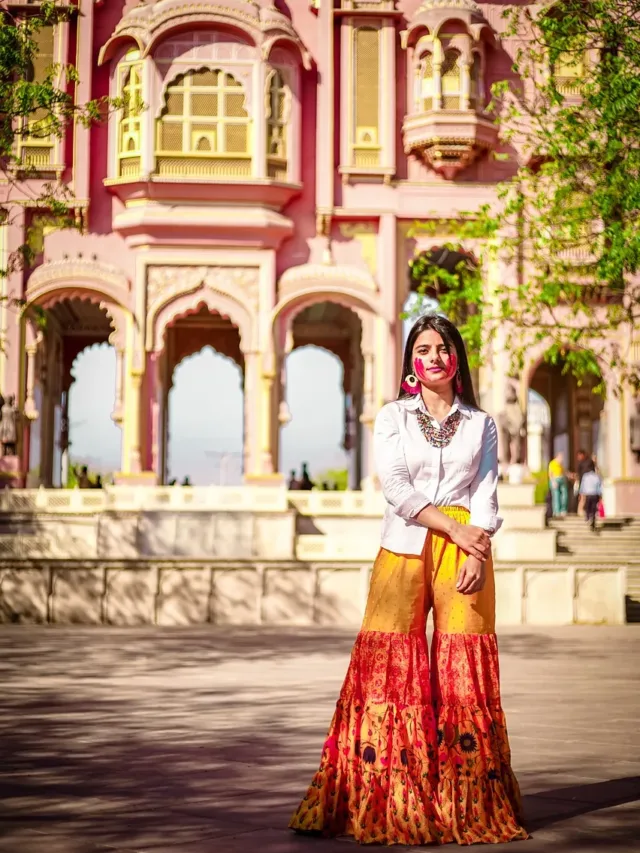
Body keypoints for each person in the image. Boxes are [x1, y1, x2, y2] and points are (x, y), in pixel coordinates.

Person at [289, 314, 526, 846]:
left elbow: (487, 491)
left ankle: (467, 804)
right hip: (404, 546)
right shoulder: (393, 416)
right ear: (411, 361)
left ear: (458, 358)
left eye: (444, 347)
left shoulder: (480, 423)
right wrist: (453, 529)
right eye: (424, 348)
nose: (436, 356)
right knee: (390, 667)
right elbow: (395, 486)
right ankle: (387, 798)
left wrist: (477, 548)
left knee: (463, 670)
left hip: (466, 553)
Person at [579, 460, 603, 531]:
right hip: (595, 494)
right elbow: (600, 486)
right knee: (593, 508)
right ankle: (592, 520)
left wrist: (582, 495)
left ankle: (588, 518)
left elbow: (583, 487)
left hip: (588, 494)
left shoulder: (585, 476)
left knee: (588, 507)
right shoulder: (596, 477)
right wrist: (601, 495)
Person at [548, 451, 568, 517]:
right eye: (561, 457)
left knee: (564, 495)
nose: (562, 459)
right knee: (556, 496)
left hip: (562, 479)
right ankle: (557, 511)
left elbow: (564, 471)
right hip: (555, 480)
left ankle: (563, 510)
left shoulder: (561, 464)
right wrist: (553, 481)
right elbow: (550, 474)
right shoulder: (552, 463)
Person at [574, 449, 589, 516]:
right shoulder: (580, 464)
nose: (579, 457)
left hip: (588, 483)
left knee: (586, 497)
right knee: (582, 497)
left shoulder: (588, 462)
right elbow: (578, 474)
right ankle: (580, 511)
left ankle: (583, 510)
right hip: (582, 483)